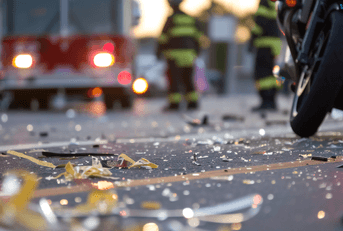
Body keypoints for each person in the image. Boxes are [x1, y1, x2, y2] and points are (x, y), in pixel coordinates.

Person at [157, 0, 204, 111]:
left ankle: (174, 104)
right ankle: (193, 103)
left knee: (174, 80)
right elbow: (198, 38)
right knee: (188, 79)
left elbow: (163, 38)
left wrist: (158, 52)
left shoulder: (171, 19)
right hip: (189, 55)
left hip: (174, 56)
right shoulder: (190, 19)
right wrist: (197, 52)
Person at [249, 0, 282, 112]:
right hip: (275, 43)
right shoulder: (275, 3)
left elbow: (260, 22)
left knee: (262, 74)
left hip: (264, 44)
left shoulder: (265, 2)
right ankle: (271, 101)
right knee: (270, 73)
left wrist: (252, 39)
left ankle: (266, 101)